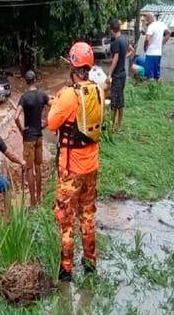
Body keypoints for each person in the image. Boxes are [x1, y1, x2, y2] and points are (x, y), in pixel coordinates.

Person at [48, 42, 103, 282]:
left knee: (66, 219)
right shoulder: (98, 91)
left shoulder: (68, 95)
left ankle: (66, 268)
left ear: (72, 66)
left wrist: (58, 100)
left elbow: (51, 124)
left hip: (71, 171)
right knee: (88, 215)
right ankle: (90, 262)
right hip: (91, 166)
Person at [14, 70, 50, 208]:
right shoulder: (42, 95)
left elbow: (16, 117)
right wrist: (46, 121)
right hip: (39, 136)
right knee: (38, 167)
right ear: (35, 80)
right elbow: (52, 105)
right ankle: (40, 198)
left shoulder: (24, 98)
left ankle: (33, 201)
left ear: (26, 81)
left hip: (28, 138)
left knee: (29, 169)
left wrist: (21, 129)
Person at [106, 19, 134, 133]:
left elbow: (115, 59)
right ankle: (119, 125)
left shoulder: (116, 42)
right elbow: (132, 50)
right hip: (123, 75)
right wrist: (125, 57)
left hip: (117, 76)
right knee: (120, 100)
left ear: (112, 30)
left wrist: (109, 75)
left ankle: (111, 128)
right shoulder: (125, 39)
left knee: (114, 102)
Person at [142, 12, 171, 81]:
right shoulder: (161, 24)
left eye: (146, 20)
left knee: (149, 76)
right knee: (157, 75)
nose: (146, 22)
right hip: (158, 53)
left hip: (150, 53)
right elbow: (168, 33)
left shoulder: (151, 26)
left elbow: (147, 39)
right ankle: (157, 89)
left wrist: (145, 47)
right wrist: (162, 43)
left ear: (149, 19)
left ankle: (151, 90)